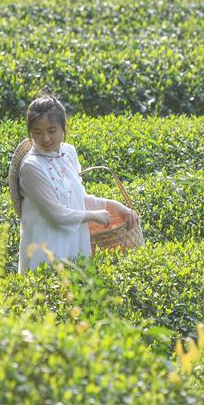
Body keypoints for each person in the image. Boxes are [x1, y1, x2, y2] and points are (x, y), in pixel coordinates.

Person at [17, 95, 138, 273]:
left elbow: (77, 198)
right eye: (37, 132)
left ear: (63, 127)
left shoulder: (68, 152)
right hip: (45, 246)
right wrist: (93, 215)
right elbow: (56, 214)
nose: (45, 138)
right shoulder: (31, 167)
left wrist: (115, 206)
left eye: (51, 130)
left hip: (75, 241)